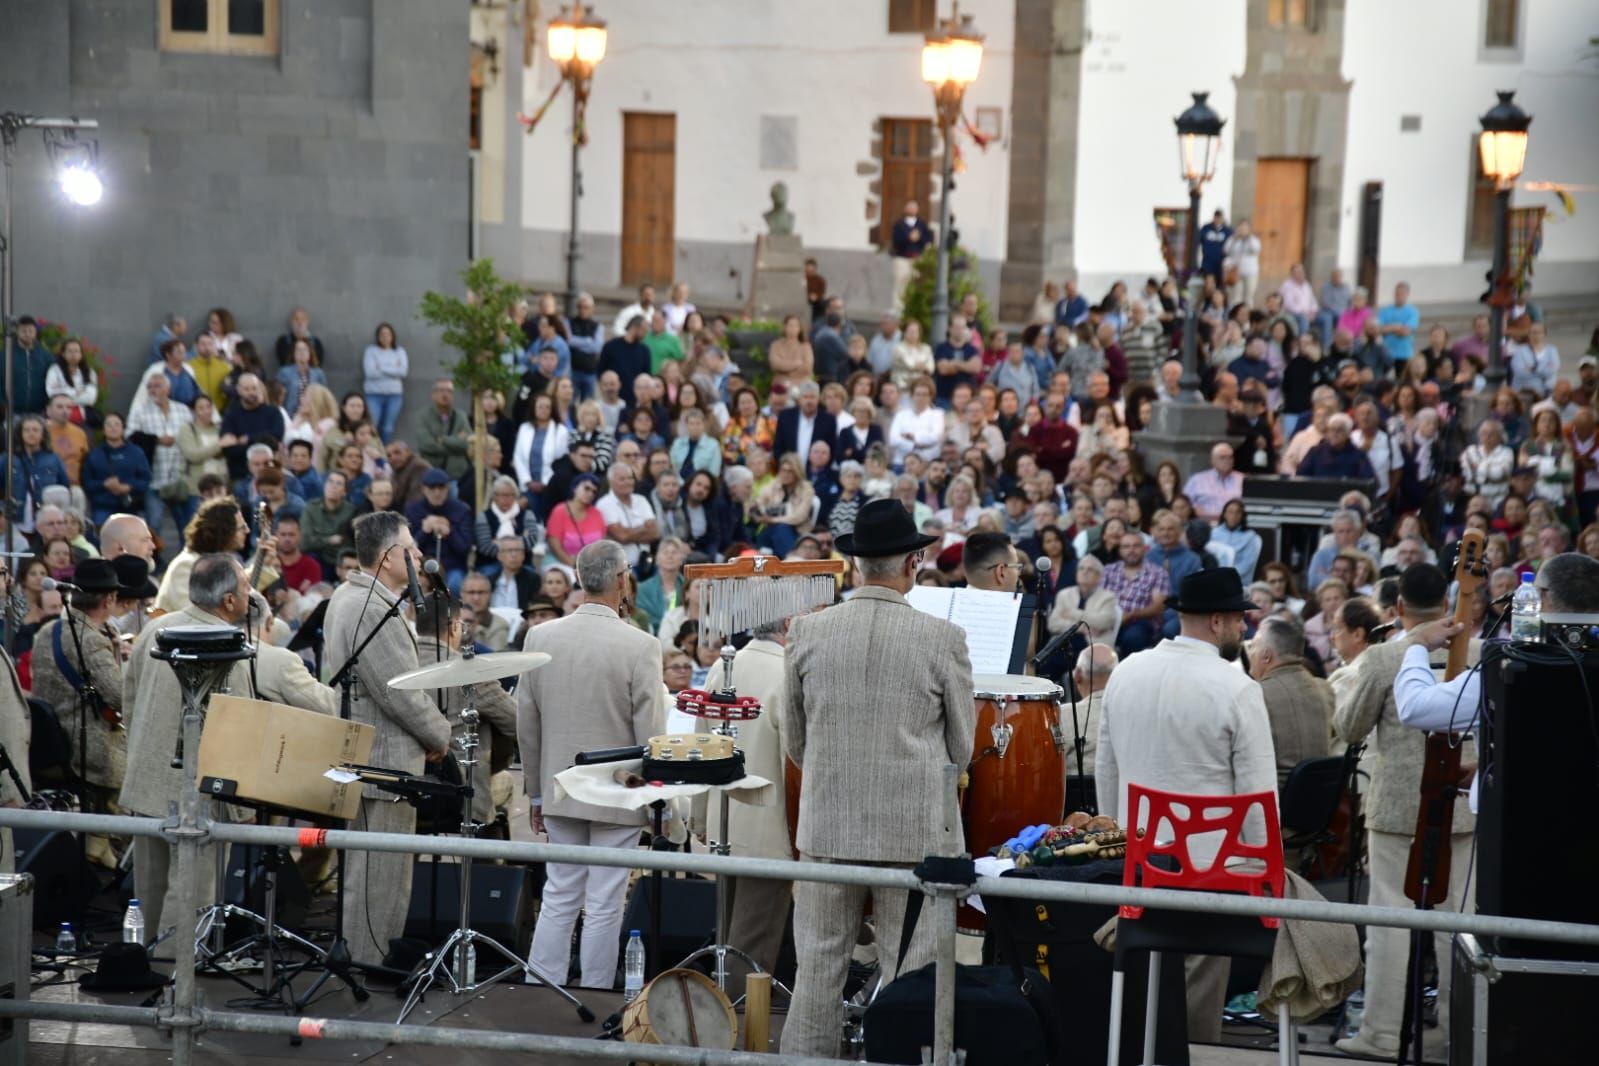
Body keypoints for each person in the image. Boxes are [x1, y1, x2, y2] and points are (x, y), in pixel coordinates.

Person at [778, 498, 974, 1056]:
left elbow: (795, 743)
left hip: (827, 826)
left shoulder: (808, 632)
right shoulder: (943, 637)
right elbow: (959, 751)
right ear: (914, 561)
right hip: (912, 837)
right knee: (912, 978)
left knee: (816, 972)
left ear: (857, 563)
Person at [1096, 567, 1276, 1042]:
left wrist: (1119, 844)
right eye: (1240, 619)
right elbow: (1258, 804)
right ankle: (1194, 1049)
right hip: (1210, 877)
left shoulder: (1125, 670)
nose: (1245, 628)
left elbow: (1106, 771)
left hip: (1137, 868)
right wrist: (1264, 881)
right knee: (1196, 1002)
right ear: (1217, 622)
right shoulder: (1238, 687)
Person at [121, 553, 336, 936]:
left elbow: (130, 700)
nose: (250, 592)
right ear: (229, 601)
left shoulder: (155, 629)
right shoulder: (228, 645)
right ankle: (176, 977)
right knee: (191, 894)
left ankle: (142, 967)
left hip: (146, 785)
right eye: (245, 585)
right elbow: (234, 733)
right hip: (198, 796)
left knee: (149, 889)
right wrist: (241, 811)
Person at [1330, 561, 1475, 1059]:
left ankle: (1382, 1034)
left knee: (1389, 921)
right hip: (1459, 803)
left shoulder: (1384, 657)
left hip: (1396, 804)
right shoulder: (1475, 650)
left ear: (1396, 607)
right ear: (1447, 598)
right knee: (1461, 921)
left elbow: (1348, 728)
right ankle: (1464, 1034)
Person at [518, 540, 662, 989]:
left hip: (560, 786)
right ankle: (597, 991)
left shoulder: (541, 635)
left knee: (559, 894)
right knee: (604, 900)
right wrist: (657, 800)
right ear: (623, 580)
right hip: (618, 793)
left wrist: (537, 792)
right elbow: (651, 736)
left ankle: (541, 988)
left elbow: (527, 722)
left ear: (580, 579)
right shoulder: (641, 644)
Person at [324, 513, 452, 965]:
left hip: (371, 756)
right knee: (379, 880)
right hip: (384, 763)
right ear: (386, 558)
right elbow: (398, 690)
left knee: (371, 874)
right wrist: (442, 734)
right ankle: (368, 965)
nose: (419, 555)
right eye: (410, 547)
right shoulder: (370, 606)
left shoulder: (353, 596)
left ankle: (364, 961)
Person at [700, 616, 796, 976]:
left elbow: (700, 744)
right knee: (750, 943)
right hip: (770, 823)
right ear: (788, 623)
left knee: (730, 933)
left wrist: (699, 815)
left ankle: (725, 1010)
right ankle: (735, 1021)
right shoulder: (787, 674)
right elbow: (796, 762)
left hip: (722, 817)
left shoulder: (722, 666)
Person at [29, 559, 128, 862]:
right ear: (109, 599)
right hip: (83, 749)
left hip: (49, 742)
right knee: (137, 771)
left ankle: (97, 845)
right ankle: (103, 845)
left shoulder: (47, 632)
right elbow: (120, 697)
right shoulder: (89, 640)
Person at [413, 593, 517, 828]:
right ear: (453, 627)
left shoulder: (401, 662)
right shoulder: (471, 671)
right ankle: (489, 860)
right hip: (459, 791)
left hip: (407, 785)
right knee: (507, 782)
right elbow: (517, 723)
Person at [1247, 614, 1332, 787]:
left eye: (1253, 646)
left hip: (1272, 803)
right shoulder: (1325, 689)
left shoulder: (1256, 694)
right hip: (1321, 802)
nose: (1249, 652)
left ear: (1266, 655)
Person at [406, 468, 473, 592]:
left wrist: (450, 532)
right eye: (432, 488)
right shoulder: (412, 510)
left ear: (447, 488)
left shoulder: (461, 510)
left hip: (452, 566)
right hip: (423, 566)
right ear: (424, 489)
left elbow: (465, 548)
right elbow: (410, 547)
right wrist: (424, 531)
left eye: (441, 488)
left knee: (455, 585)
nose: (437, 493)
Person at [1183, 442, 1244, 522]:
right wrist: (1195, 509)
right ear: (1212, 460)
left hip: (1234, 525)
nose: (1227, 460)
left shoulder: (1242, 479)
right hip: (1204, 525)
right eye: (1222, 457)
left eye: (1230, 457)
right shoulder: (1197, 480)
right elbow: (1183, 503)